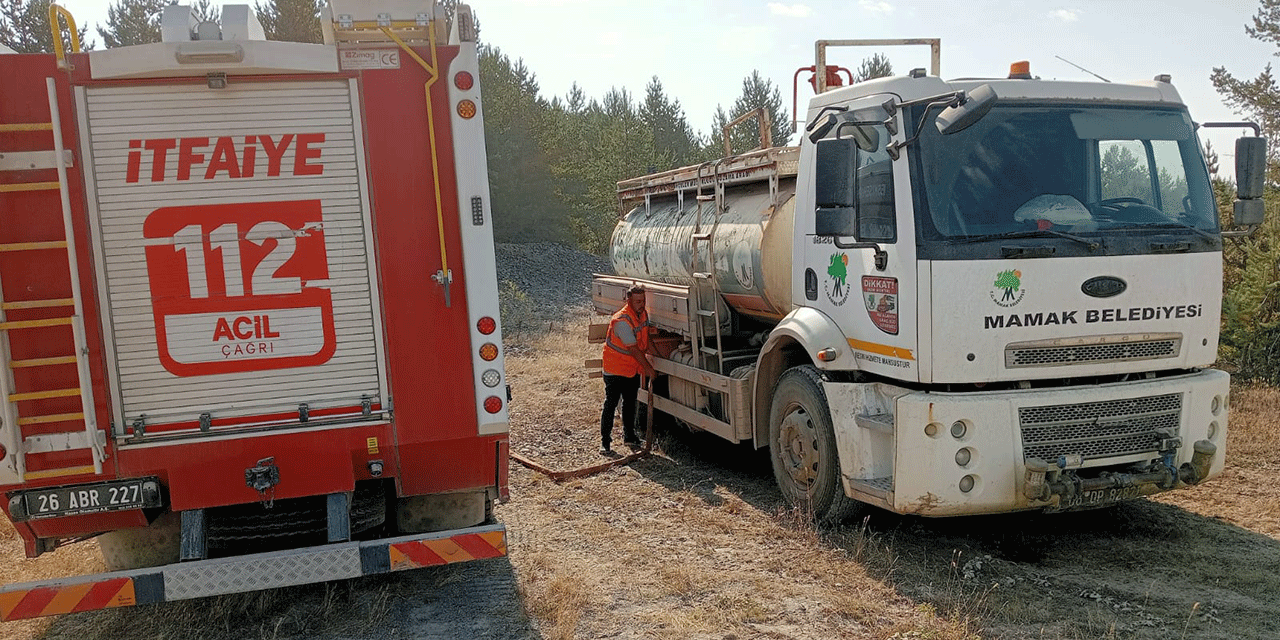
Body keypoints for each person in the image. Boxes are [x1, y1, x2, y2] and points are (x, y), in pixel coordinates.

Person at [600, 285, 656, 454]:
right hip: (615, 370)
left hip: (631, 369)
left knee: (630, 403)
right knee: (610, 404)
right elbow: (633, 349)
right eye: (638, 301)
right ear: (629, 300)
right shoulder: (622, 321)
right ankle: (605, 442)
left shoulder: (642, 315)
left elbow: (645, 339)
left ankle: (630, 437)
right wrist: (649, 369)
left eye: (643, 300)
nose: (642, 304)